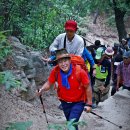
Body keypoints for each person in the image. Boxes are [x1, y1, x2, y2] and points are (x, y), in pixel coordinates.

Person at [37, 49, 92, 130]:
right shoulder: (56, 71)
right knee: (71, 123)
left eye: (65, 61)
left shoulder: (79, 71)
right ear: (57, 63)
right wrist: (42, 89)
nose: (63, 64)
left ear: (69, 60)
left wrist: (89, 104)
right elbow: (49, 83)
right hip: (64, 102)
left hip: (79, 102)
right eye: (60, 62)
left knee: (71, 124)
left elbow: (87, 87)